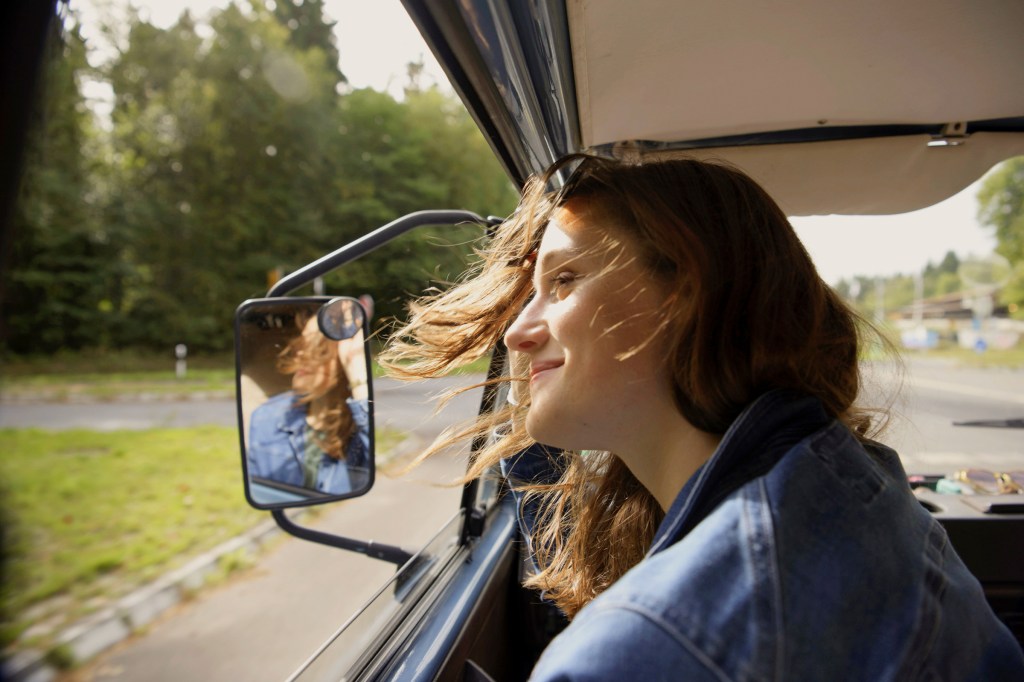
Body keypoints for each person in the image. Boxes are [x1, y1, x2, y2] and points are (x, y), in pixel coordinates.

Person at [382, 154, 1024, 679]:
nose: (519, 332)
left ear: (687, 296)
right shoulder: (844, 473)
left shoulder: (640, 651)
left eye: (564, 281)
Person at [249, 311, 370, 496]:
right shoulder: (266, 417)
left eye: (319, 348)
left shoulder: (359, 428)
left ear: (345, 359)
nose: (303, 355)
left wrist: (359, 378)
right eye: (302, 345)